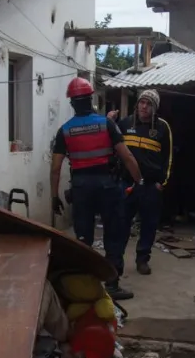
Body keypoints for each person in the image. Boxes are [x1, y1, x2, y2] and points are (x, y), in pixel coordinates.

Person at [51, 77, 144, 301]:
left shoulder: (65, 130)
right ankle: (112, 284)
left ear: (72, 103)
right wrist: (138, 182)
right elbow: (127, 156)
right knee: (114, 233)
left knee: (83, 238)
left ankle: (85, 287)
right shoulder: (106, 124)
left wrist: (54, 196)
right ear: (91, 98)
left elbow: (55, 168)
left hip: (81, 187)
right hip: (108, 186)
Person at [107, 90, 172, 276]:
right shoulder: (125, 123)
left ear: (155, 107)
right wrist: (109, 121)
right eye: (142, 102)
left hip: (151, 186)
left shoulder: (162, 127)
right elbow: (112, 146)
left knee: (149, 225)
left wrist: (162, 183)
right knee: (121, 224)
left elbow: (169, 158)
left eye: (149, 104)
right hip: (127, 184)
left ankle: (142, 259)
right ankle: (116, 260)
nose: (144, 106)